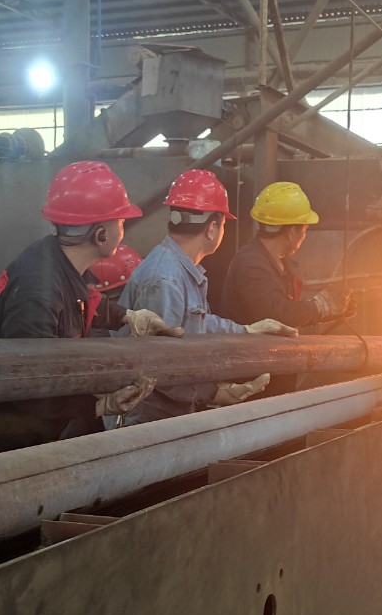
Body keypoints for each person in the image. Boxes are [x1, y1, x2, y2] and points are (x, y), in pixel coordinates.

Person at [0, 161, 181, 455]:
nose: (122, 229)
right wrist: (99, 405)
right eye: (120, 221)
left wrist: (129, 317)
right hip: (4, 439)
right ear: (100, 233)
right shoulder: (38, 290)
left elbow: (81, 301)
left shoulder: (54, 260)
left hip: (28, 429)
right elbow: (30, 387)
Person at [117, 169, 296, 425]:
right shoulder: (165, 280)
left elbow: (199, 323)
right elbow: (161, 366)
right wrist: (214, 393)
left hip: (171, 411)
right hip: (149, 417)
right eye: (223, 224)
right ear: (212, 228)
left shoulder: (181, 270)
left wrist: (246, 331)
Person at [219, 181, 354, 330]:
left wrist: (330, 311)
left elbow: (287, 315)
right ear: (291, 232)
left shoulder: (278, 263)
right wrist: (320, 307)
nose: (304, 236)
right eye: (305, 229)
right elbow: (276, 315)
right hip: (244, 345)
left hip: (266, 345)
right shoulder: (250, 264)